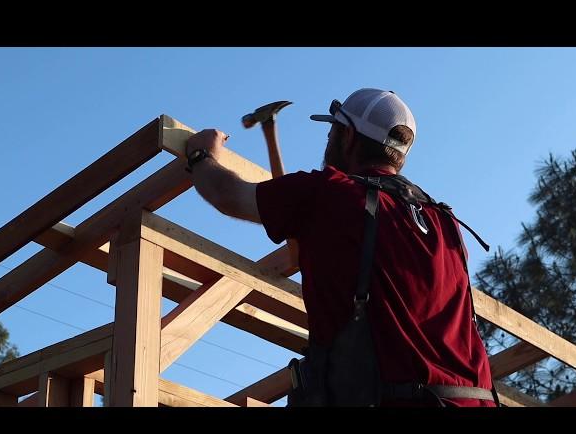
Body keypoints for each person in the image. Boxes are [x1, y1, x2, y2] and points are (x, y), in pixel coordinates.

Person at [185, 88, 498, 407]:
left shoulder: (332, 194)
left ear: (347, 136)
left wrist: (201, 153)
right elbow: (302, 255)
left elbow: (226, 193)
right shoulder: (446, 222)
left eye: (331, 132)